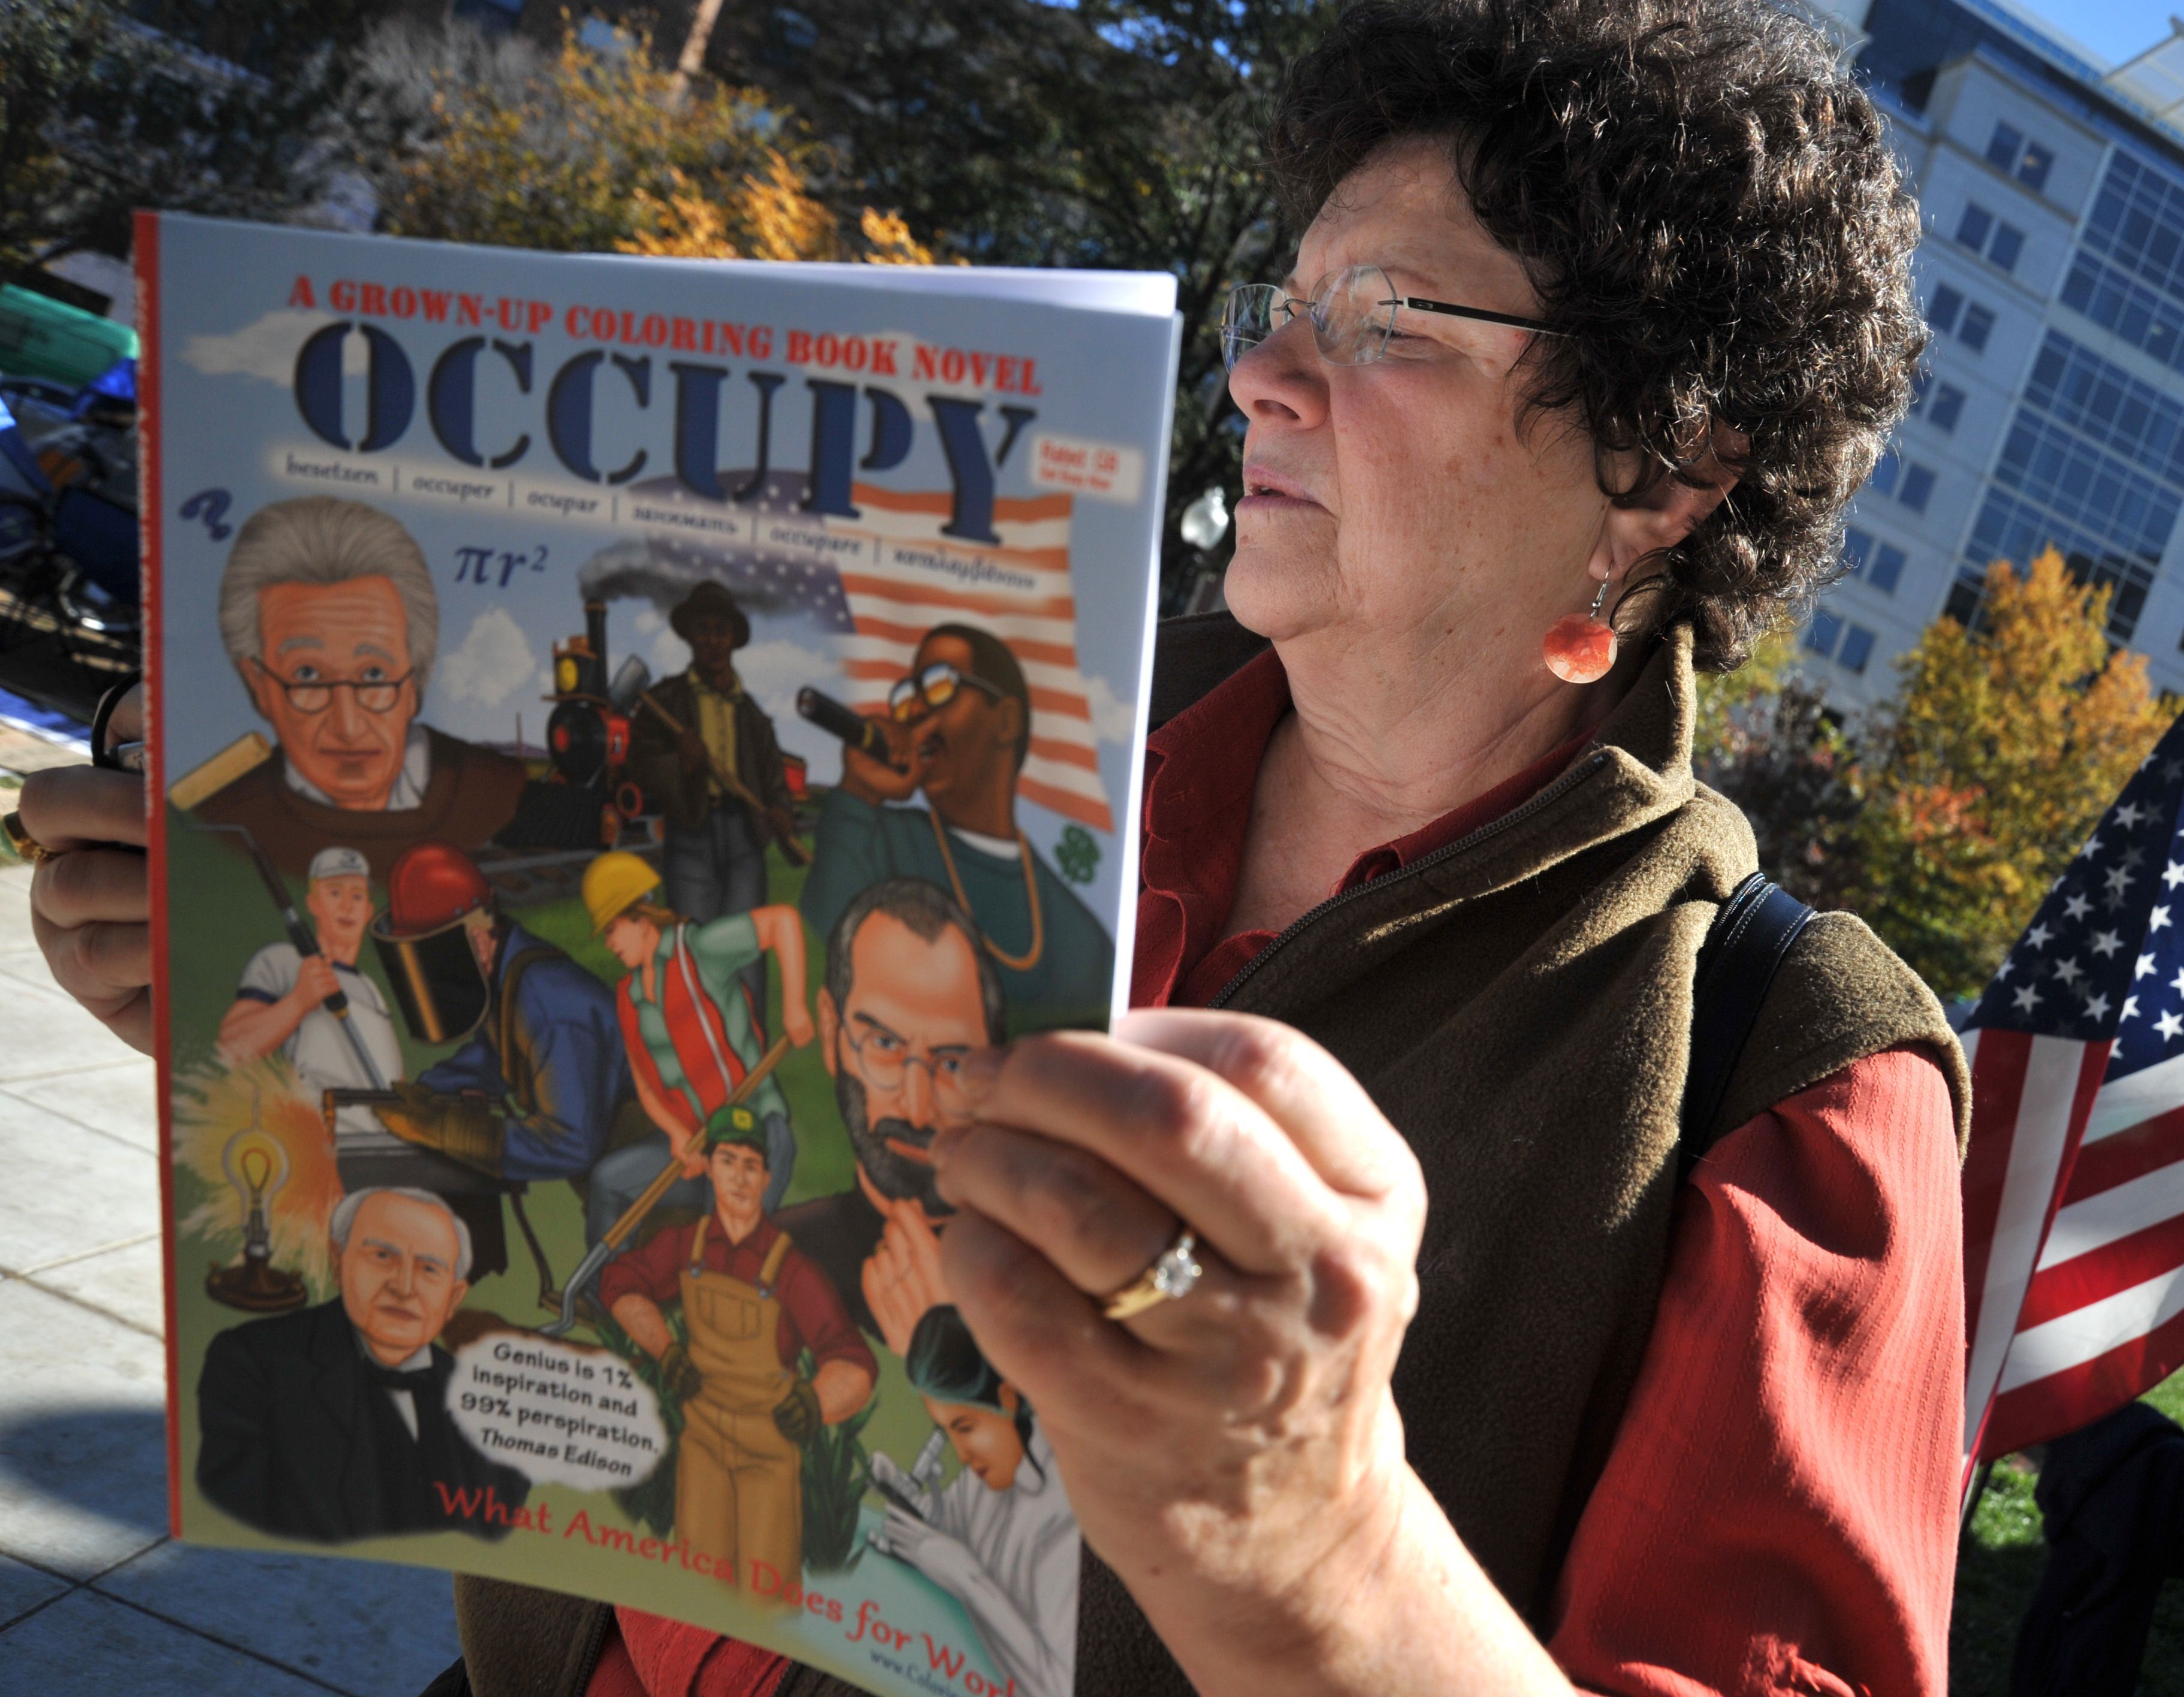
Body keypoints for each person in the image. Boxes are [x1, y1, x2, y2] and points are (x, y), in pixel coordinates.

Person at [22, 5, 1974, 1692]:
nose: (1260, 377)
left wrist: (1315, 1540)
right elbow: (618, 1154)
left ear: (1663, 467)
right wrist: (308, 1029)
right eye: (1280, 305)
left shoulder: (1785, 1077)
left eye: (1385, 322)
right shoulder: (952, 735)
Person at [597, 1113, 875, 1600]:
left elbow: (851, 1359)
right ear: (709, 1170)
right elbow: (619, 1283)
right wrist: (667, 1351)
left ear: (768, 1179)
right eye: (728, 1162)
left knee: (765, 1601)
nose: (740, 1178)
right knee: (697, 1591)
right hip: (700, 1449)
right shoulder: (687, 1246)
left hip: (768, 1458)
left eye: (752, 1166)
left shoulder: (792, 1270)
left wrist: (815, 1404)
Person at [183, 496, 525, 881]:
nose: (347, 726)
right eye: (308, 675)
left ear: (415, 681)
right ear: (258, 685)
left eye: (375, 675)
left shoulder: (507, 796)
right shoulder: (217, 822)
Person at [801, 624, 1111, 1032]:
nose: (914, 712)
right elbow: (815, 952)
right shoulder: (877, 838)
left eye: (938, 685)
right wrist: (858, 793)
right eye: (907, 697)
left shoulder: (1082, 938)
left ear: (1005, 721)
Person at [194, 1186, 529, 1542]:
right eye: (382, 1256)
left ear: (453, 1297)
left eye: (430, 1269)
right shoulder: (252, 1362)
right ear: (338, 1263)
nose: (403, 1287)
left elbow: (502, 1532)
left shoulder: (493, 1402)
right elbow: (233, 1514)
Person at [369, 842, 640, 1275]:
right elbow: (497, 1055)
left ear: (477, 939)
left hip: (658, 1167)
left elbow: (571, 1143)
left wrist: (448, 1130)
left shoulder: (549, 1007)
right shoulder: (505, 971)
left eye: (433, 960)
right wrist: (425, 1094)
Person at [771, 877, 1005, 1335]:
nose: (916, 1110)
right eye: (884, 1044)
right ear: (829, 1032)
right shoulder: (774, 1258)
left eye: (953, 1062)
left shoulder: (1043, 1277)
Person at [581, 850, 811, 1249]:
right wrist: (676, 1136)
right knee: (607, 1182)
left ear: (642, 917)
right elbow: (646, 1088)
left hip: (754, 1132)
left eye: (612, 929)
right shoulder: (629, 997)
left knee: (714, 1242)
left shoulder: (700, 950)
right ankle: (609, 1294)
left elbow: (782, 922)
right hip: (697, 1144)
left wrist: (794, 1007)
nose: (609, 944)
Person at [867, 1305, 1076, 1697]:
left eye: (966, 1427)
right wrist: (920, 1518)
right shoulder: (976, 1484)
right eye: (947, 1432)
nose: (961, 1455)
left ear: (1008, 1398)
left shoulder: (1065, 1516)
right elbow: (951, 1532)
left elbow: (1055, 1685)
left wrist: (965, 1578)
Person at [623, 581, 799, 1009]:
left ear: (733, 640)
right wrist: (679, 763)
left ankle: (751, 1054)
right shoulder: (664, 702)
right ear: (688, 637)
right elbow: (638, 765)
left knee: (745, 950)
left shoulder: (752, 716)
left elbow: (775, 784)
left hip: (745, 838)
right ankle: (699, 1061)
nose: (711, 641)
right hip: (690, 835)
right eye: (702, 630)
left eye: (720, 631)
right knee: (693, 946)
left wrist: (779, 814)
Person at [217, 845, 405, 1146]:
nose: (347, 906)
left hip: (383, 1147)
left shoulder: (371, 989)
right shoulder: (282, 962)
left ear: (368, 910)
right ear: (313, 903)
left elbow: (394, 1082)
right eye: (334, 893)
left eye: (357, 896)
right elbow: (232, 1050)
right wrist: (300, 1000)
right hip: (318, 1147)